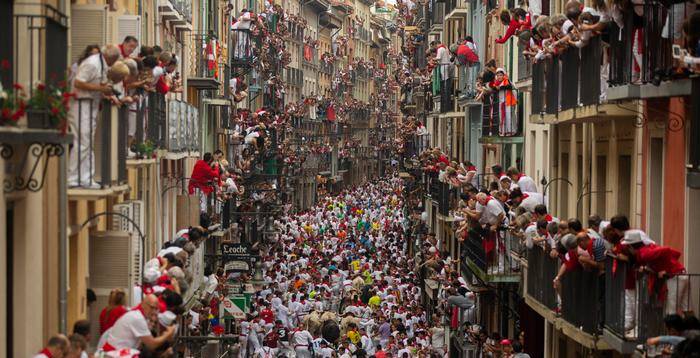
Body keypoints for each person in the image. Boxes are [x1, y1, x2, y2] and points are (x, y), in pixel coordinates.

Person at [68, 45, 121, 188]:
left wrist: (108, 92)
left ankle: (86, 178)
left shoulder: (101, 64)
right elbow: (78, 82)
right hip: (80, 106)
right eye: (115, 60)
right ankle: (73, 179)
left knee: (88, 143)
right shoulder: (92, 63)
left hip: (90, 106)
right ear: (111, 57)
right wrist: (101, 89)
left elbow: (100, 84)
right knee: (82, 142)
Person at [99, 294, 176, 352]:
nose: (153, 311)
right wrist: (168, 334)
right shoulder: (138, 318)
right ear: (143, 304)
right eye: (151, 307)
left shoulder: (138, 315)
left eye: (156, 309)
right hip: (114, 353)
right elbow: (152, 345)